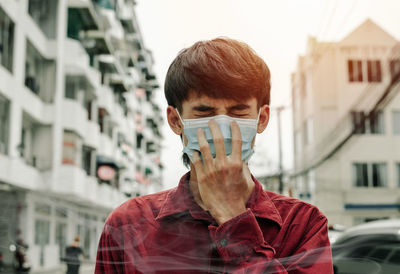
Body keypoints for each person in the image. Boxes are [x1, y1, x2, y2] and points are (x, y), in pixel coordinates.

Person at [95, 38, 333, 273]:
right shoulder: (128, 225)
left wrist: (233, 216)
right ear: (175, 120)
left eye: (238, 111)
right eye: (204, 112)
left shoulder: (303, 224)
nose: (222, 127)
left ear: (261, 119)